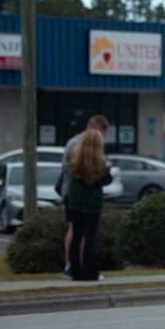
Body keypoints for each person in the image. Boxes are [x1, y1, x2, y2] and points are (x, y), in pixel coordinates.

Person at [61, 115, 110, 279]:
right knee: (89, 237)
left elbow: (67, 169)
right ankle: (89, 271)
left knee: (76, 235)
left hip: (75, 200)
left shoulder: (74, 156)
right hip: (91, 203)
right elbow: (104, 180)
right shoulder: (97, 161)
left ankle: (74, 270)